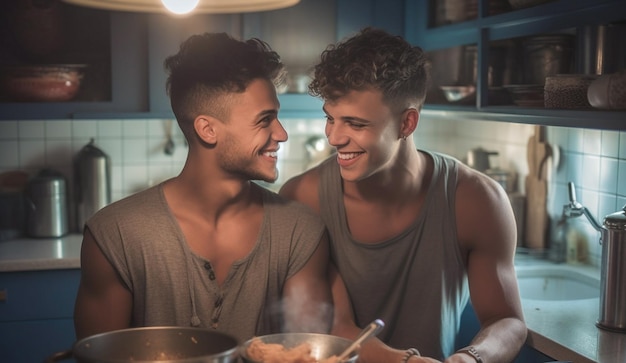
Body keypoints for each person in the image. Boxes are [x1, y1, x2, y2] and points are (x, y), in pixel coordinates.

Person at [279, 27, 527, 363]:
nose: (334, 137)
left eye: (355, 123)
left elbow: (507, 321)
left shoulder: (477, 200)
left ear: (407, 123)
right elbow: (332, 325)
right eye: (330, 119)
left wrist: (471, 358)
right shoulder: (304, 197)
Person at [73, 32, 333, 343]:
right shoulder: (115, 236)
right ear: (207, 130)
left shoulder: (299, 232)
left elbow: (306, 351)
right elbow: (102, 355)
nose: (282, 134)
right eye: (265, 120)